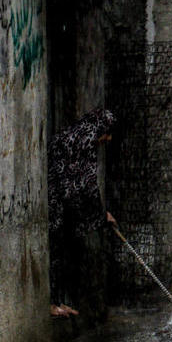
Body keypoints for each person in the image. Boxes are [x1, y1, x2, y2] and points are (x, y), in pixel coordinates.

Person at [47, 108, 117, 318]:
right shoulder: (84, 142)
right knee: (57, 251)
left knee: (64, 250)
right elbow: (87, 186)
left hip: (64, 202)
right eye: (107, 133)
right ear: (100, 128)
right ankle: (52, 303)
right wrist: (102, 214)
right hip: (56, 203)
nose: (108, 139)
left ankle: (59, 301)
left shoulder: (75, 135)